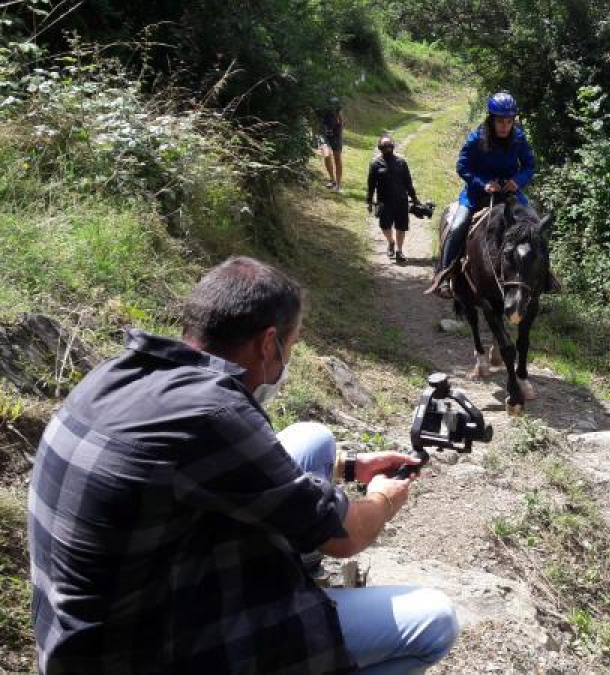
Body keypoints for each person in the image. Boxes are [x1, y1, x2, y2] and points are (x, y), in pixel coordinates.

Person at [27, 257, 459, 674]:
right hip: (146, 652)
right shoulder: (214, 413)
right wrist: (383, 497)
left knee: (314, 441)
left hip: (78, 634)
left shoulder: (121, 373)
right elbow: (347, 537)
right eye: (291, 345)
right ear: (268, 344)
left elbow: (209, 469)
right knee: (434, 621)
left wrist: (348, 468)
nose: (288, 357)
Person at [427, 91, 536, 298]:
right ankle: (443, 274)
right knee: (458, 225)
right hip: (477, 193)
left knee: (534, 224)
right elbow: (462, 166)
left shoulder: (519, 138)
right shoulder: (476, 138)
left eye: (509, 121)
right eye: (500, 121)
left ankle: (544, 278)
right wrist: (483, 184)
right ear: (491, 119)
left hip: (511, 193)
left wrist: (517, 181)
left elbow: (530, 165)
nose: (505, 126)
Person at [367, 134, 420, 262]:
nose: (387, 148)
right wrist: (369, 201)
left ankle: (399, 251)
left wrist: (414, 198)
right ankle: (391, 242)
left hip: (401, 200)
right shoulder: (375, 164)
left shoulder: (401, 163)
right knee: (385, 226)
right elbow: (371, 185)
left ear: (393, 146)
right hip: (384, 201)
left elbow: (408, 183)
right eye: (384, 146)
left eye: (389, 145)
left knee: (401, 227)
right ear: (380, 147)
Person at [317, 96, 345, 192]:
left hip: (336, 135)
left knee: (337, 158)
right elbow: (315, 120)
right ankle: (332, 179)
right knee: (327, 154)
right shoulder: (319, 104)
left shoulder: (336, 102)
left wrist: (339, 133)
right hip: (323, 134)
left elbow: (341, 119)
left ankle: (338, 185)